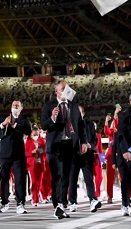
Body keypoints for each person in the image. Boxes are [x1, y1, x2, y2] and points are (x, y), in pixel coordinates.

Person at [41, 80, 89, 219]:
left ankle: (62, 204)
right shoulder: (49, 106)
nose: (66, 90)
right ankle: (57, 205)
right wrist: (52, 118)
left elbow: (80, 126)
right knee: (57, 176)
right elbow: (44, 125)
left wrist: (84, 141)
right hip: (55, 146)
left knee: (66, 177)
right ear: (56, 91)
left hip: (70, 145)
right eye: (63, 88)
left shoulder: (73, 106)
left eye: (67, 88)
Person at [0, 100, 32, 214]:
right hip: (5, 153)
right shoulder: (4, 117)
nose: (15, 106)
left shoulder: (24, 119)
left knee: (20, 179)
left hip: (18, 154)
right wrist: (3, 124)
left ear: (21, 108)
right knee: (4, 179)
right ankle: (5, 203)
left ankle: (20, 204)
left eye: (17, 105)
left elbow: (28, 131)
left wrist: (15, 125)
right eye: (13, 105)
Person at [67, 104, 102, 213]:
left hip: (87, 155)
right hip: (73, 155)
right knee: (72, 179)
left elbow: (95, 140)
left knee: (89, 179)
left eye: (80, 112)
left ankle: (93, 200)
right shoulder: (69, 125)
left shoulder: (90, 124)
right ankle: (72, 202)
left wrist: (89, 145)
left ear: (83, 113)